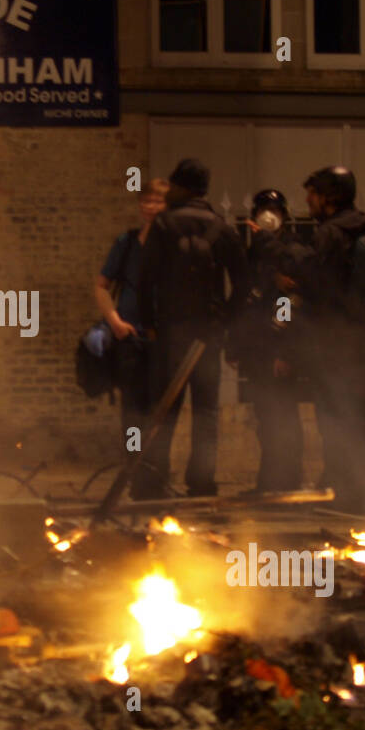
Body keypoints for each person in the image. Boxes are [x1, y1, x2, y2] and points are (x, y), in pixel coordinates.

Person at [135, 159, 249, 500]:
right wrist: (226, 319)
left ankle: (153, 482)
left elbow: (145, 281)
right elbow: (243, 283)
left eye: (173, 185)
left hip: (171, 333)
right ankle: (201, 484)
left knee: (164, 408)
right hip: (208, 335)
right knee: (206, 411)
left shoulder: (164, 225)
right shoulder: (221, 227)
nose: (168, 191)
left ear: (185, 187)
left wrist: (150, 324)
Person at [298, 166, 365, 514]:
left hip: (337, 345)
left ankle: (349, 494)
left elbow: (317, 289)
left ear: (330, 197)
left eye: (313, 193)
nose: (308, 200)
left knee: (337, 418)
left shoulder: (329, 234)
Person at [231, 189, 310, 492]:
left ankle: (288, 480)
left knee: (284, 417)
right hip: (257, 348)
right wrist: (237, 344)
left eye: (274, 209)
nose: (269, 215)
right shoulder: (255, 251)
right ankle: (269, 481)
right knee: (266, 419)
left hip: (279, 349)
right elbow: (247, 299)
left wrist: (286, 352)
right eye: (263, 209)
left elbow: (293, 303)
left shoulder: (290, 249)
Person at [93, 178, 170, 446]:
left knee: (161, 410)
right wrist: (115, 321)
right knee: (132, 412)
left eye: (157, 201)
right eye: (146, 201)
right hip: (131, 339)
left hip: (163, 339)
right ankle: (133, 467)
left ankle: (156, 472)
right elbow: (101, 287)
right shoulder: (126, 243)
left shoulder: (173, 246)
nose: (151, 207)